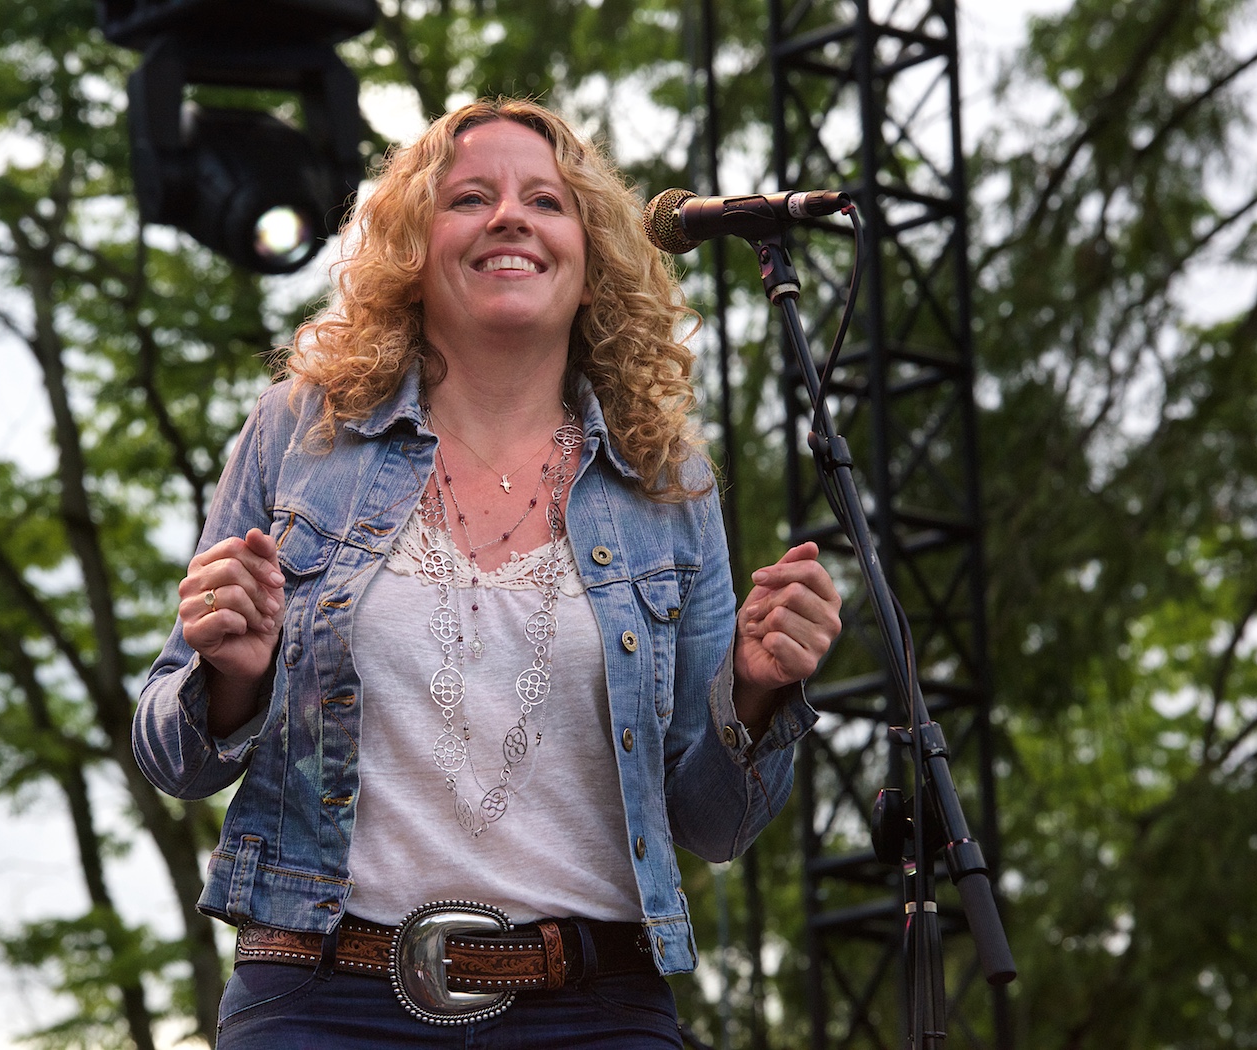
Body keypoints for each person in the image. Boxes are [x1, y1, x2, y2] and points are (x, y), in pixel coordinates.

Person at [133, 97, 842, 1048]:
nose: (510, 215)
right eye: (470, 197)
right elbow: (169, 755)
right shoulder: (303, 429)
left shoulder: (667, 477)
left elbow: (714, 825)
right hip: (321, 997)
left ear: (591, 263)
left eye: (546, 202)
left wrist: (755, 695)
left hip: (598, 1009)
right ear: (414, 252)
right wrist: (232, 677)